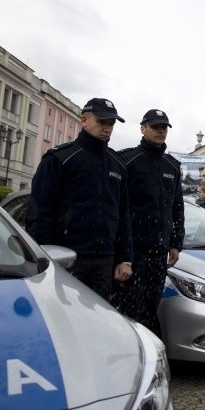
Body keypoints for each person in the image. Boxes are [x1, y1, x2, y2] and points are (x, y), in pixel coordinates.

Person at [26, 97, 132, 301]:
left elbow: (122, 214)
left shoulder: (117, 164)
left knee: (99, 317)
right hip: (67, 257)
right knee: (64, 317)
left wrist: (125, 258)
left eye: (111, 123)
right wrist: (45, 257)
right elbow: (40, 212)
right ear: (84, 120)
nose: (107, 128)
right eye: (102, 121)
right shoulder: (61, 159)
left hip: (104, 260)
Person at [112, 109, 185, 334]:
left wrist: (175, 243)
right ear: (143, 128)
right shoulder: (126, 160)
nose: (160, 131)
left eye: (164, 127)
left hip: (159, 250)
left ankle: (147, 350)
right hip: (132, 250)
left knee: (150, 305)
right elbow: (117, 207)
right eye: (155, 127)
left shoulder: (172, 165)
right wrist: (123, 253)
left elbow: (177, 207)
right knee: (127, 308)